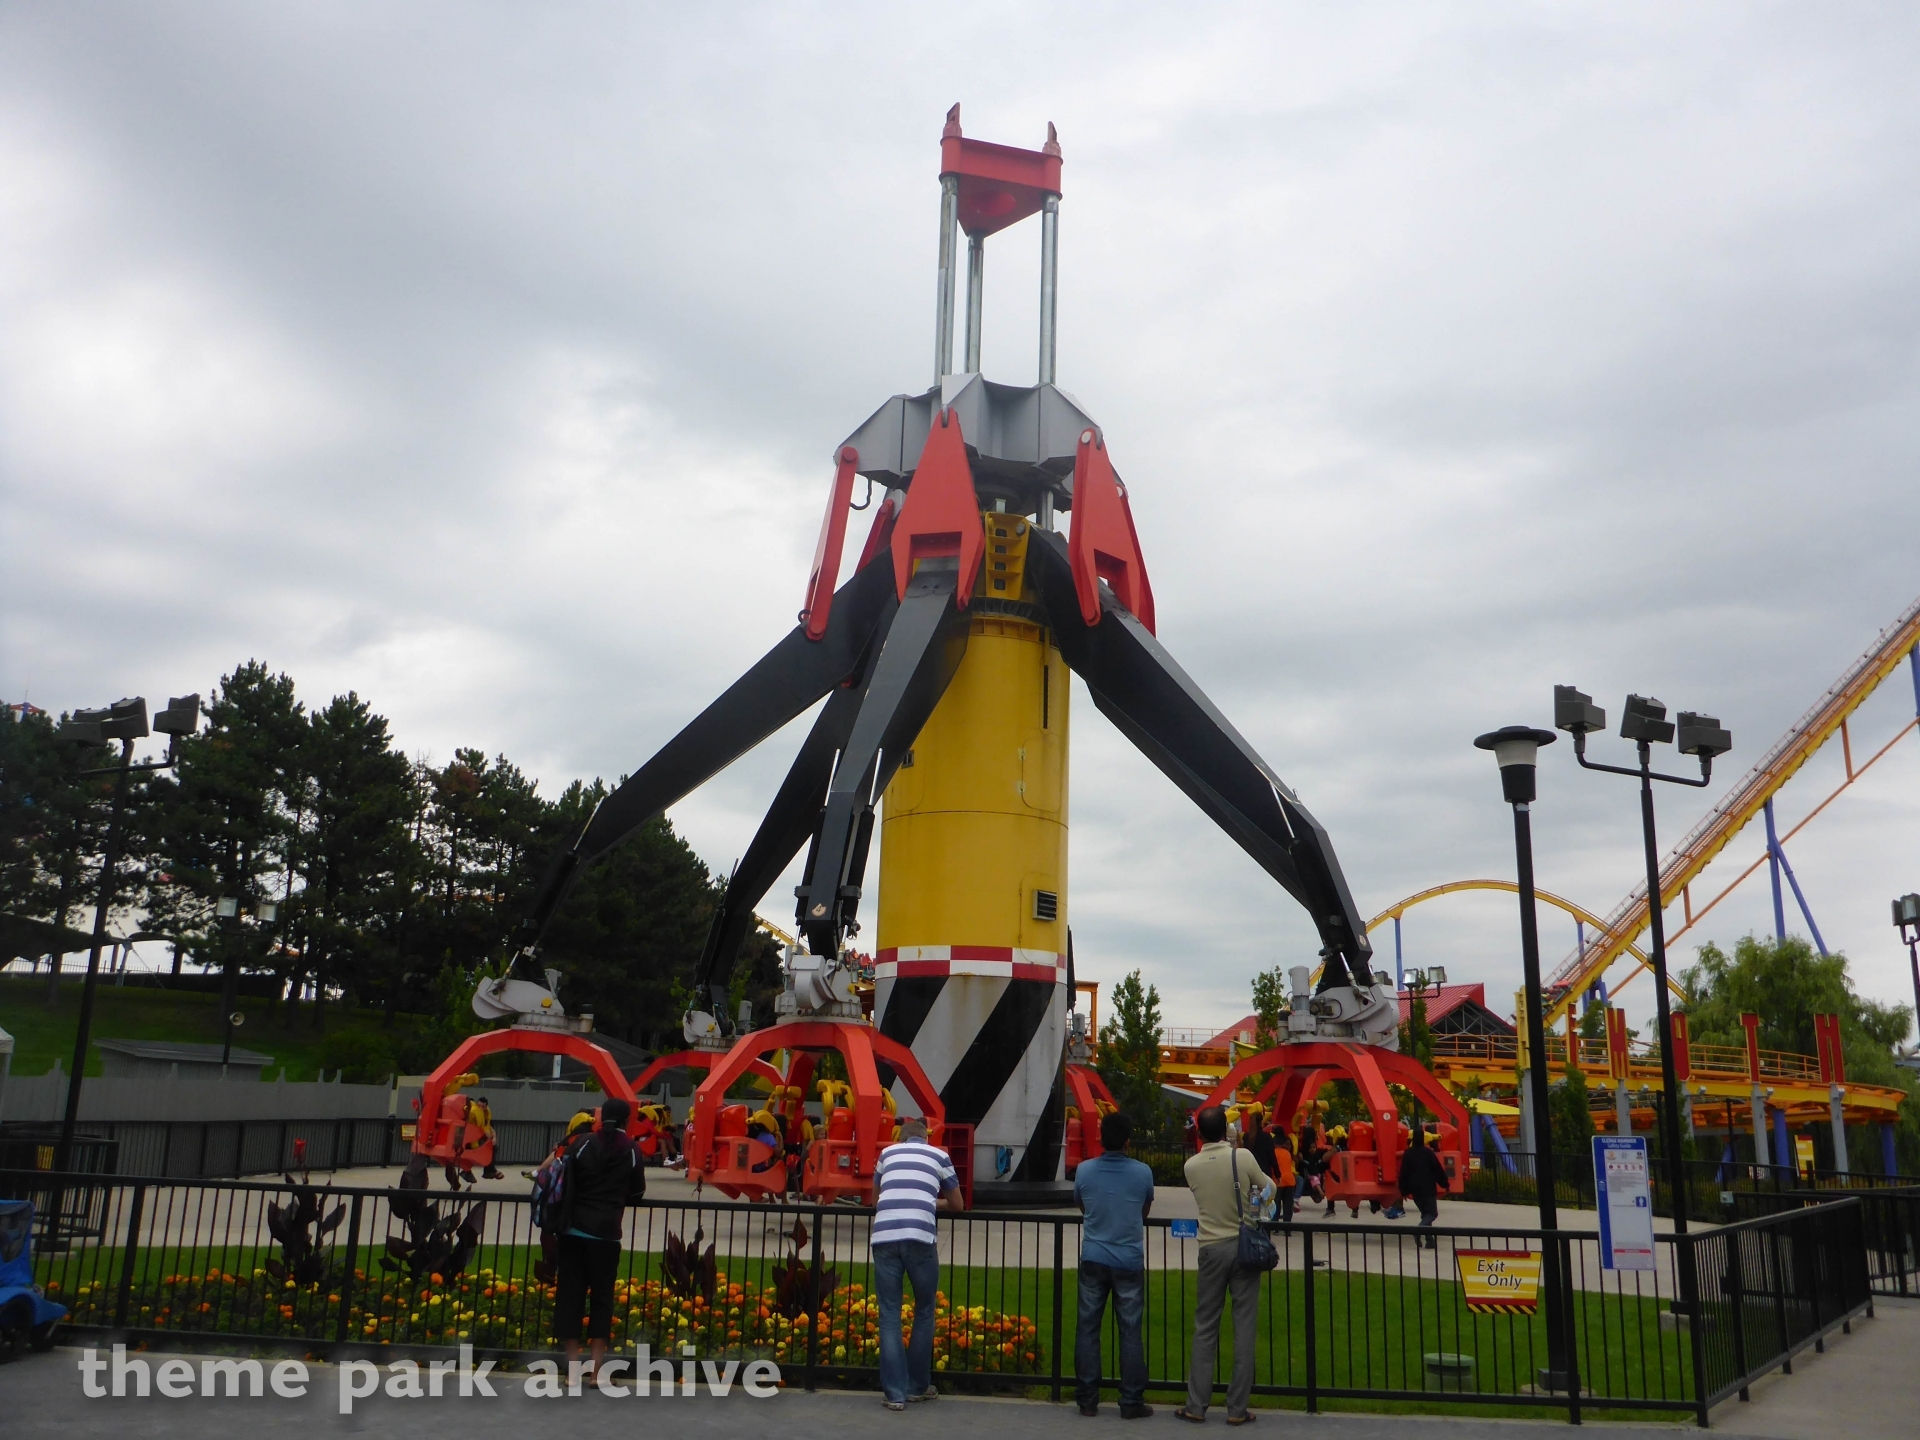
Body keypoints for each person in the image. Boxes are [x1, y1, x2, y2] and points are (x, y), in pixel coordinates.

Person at [1177, 1105, 1268, 1425]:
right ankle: (1237, 1409)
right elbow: (1269, 1188)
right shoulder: (1242, 1157)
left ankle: (1196, 1405)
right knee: (1244, 1328)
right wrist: (1255, 1201)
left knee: (1206, 1326)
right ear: (1227, 1131)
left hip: (1211, 1248)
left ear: (1199, 1133)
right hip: (1244, 1247)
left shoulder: (1192, 1166)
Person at [551, 1098, 647, 1383]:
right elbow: (637, 1192)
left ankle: (571, 1372)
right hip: (606, 1233)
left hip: (574, 1230)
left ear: (601, 1117)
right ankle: (595, 1372)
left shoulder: (581, 1144)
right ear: (627, 1120)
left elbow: (565, 1179)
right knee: (602, 1300)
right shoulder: (630, 1149)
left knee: (571, 1296)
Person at [872, 1115, 963, 1410]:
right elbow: (958, 1204)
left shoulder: (886, 1154)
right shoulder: (940, 1156)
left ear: (901, 1137)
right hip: (920, 1236)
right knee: (924, 1310)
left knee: (889, 1314)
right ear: (926, 1138)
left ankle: (894, 1394)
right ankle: (917, 1386)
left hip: (884, 1236)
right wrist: (933, 1202)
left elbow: (875, 1199)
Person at [1073, 1111, 1156, 1420]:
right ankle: (1132, 1400)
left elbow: (1081, 1204)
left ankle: (1087, 1399)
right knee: (1131, 1331)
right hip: (1129, 1258)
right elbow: (1144, 1211)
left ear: (1100, 1138)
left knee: (1088, 1327)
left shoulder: (1084, 1171)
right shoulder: (1143, 1172)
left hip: (1094, 1255)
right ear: (1128, 1141)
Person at [1396, 1125, 1450, 1249]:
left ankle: (1429, 1240)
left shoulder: (1408, 1153)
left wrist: (1403, 1191)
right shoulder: (1428, 1153)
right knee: (1432, 1213)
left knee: (1425, 1213)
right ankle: (1418, 1230)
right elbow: (1438, 1170)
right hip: (1428, 1188)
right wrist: (1445, 1184)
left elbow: (1403, 1173)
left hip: (1415, 1189)